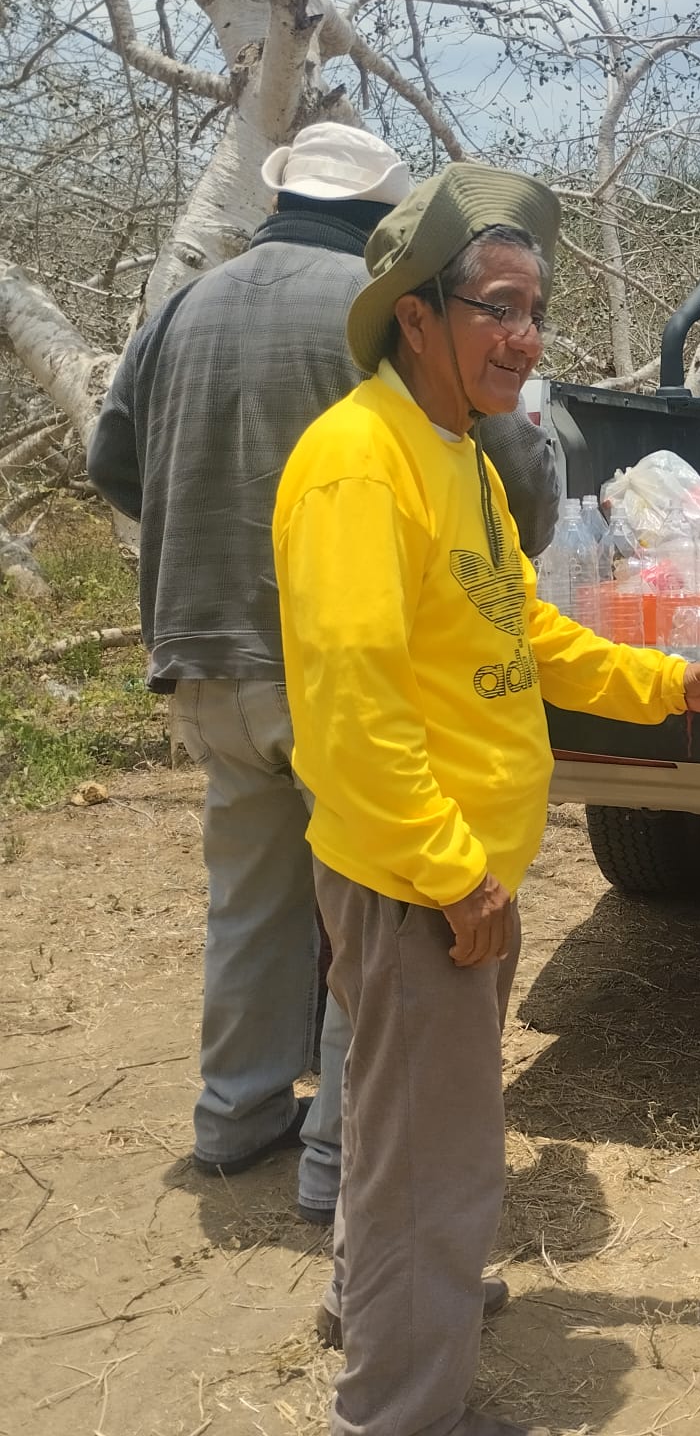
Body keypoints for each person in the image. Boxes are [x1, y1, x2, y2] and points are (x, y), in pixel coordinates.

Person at [272, 161, 700, 1436]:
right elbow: (353, 707)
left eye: (534, 310)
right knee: (436, 1158)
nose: (524, 338)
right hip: (421, 877)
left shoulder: (458, 453)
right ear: (415, 316)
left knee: (405, 1135)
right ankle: (399, 1408)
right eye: (497, 307)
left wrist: (670, 683)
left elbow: (520, 627)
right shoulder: (360, 462)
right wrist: (451, 873)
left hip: (456, 867)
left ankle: (384, 1304)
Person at [87, 124, 418, 1224]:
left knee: (250, 901)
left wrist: (199, 522)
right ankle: (335, 1161)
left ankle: (234, 1118)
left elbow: (110, 462)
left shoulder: (183, 307)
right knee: (370, 910)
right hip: (333, 667)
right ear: (382, 221)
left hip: (203, 660)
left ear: (279, 202)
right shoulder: (379, 313)